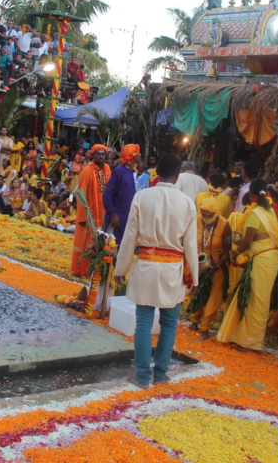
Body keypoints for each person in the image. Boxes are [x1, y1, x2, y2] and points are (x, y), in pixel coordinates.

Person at [114, 153, 199, 388]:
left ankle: (142, 376)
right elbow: (191, 245)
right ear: (178, 173)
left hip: (146, 265)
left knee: (143, 323)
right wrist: (194, 277)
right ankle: (160, 374)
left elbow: (130, 237)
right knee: (169, 324)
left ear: (156, 172)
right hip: (173, 269)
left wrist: (121, 268)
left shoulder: (142, 197)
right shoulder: (187, 203)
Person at [217, 178, 278, 352]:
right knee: (254, 298)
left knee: (256, 301)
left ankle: (252, 343)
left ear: (251, 194)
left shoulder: (257, 213)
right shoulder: (271, 210)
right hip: (268, 257)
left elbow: (246, 241)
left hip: (263, 258)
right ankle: (242, 337)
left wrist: (235, 253)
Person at [188, 197, 232, 340]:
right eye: (204, 213)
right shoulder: (195, 220)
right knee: (196, 292)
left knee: (213, 298)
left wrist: (216, 267)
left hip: (217, 266)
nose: (206, 217)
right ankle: (195, 321)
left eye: (210, 215)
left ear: (216, 212)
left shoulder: (224, 224)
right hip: (198, 264)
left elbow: (227, 250)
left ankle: (205, 327)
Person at [71, 144, 112, 277]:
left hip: (103, 212)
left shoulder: (107, 169)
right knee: (86, 241)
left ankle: (94, 270)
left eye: (103, 154)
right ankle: (81, 270)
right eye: (98, 154)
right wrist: (83, 217)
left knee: (98, 242)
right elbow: (81, 195)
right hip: (90, 213)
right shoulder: (86, 171)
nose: (100, 156)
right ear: (93, 155)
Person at [102, 144, 140, 244]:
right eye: (138, 152)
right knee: (113, 247)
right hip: (118, 218)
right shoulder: (119, 171)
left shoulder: (134, 172)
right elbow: (107, 194)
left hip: (130, 217)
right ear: (132, 156)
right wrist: (113, 214)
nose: (140, 154)